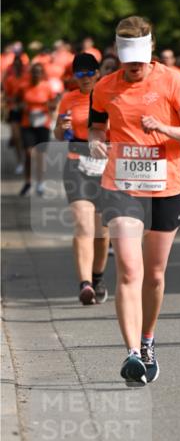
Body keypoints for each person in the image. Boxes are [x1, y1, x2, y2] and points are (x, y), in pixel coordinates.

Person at [89, 16, 180, 384]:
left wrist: (164, 127)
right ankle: (131, 354)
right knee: (129, 270)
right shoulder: (104, 87)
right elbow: (95, 125)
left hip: (164, 187)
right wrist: (94, 140)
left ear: (151, 49)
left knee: (153, 275)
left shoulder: (172, 80)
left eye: (139, 58)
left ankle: (148, 340)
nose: (134, 66)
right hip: (121, 186)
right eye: (127, 59)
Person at [54, 52, 110, 305]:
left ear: (97, 73)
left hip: (107, 166)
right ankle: (85, 284)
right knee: (84, 226)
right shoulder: (68, 98)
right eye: (80, 74)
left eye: (89, 73)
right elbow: (57, 134)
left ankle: (97, 278)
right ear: (74, 76)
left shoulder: (108, 95)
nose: (85, 79)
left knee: (102, 232)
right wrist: (61, 129)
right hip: (77, 164)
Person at [18, 61, 59, 196]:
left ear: (42, 74)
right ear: (31, 73)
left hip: (43, 123)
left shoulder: (47, 87)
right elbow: (15, 100)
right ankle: (28, 181)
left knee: (41, 155)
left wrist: (49, 108)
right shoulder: (24, 87)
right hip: (27, 123)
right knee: (29, 154)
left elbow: (53, 103)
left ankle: (40, 183)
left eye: (39, 72)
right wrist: (21, 107)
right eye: (34, 72)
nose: (36, 74)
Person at [2, 50, 30, 173]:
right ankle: (20, 161)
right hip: (14, 110)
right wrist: (12, 99)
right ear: (13, 66)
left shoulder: (27, 78)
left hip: (25, 110)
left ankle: (26, 159)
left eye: (20, 65)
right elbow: (6, 96)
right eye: (16, 65)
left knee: (25, 138)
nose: (18, 67)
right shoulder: (10, 79)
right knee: (17, 137)